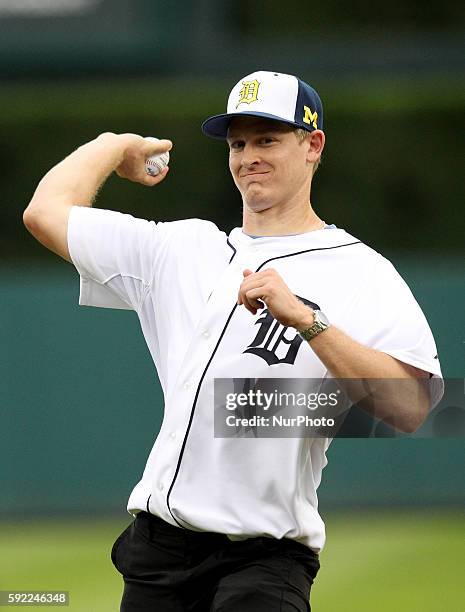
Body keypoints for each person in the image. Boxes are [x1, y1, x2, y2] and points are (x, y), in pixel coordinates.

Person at [23, 70, 443, 611]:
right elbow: (45, 213)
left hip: (264, 560)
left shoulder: (362, 271)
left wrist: (309, 322)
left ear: (312, 145)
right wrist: (114, 145)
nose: (249, 156)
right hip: (157, 552)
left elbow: (414, 409)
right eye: (238, 142)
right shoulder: (179, 251)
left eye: (267, 139)